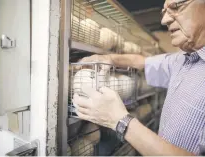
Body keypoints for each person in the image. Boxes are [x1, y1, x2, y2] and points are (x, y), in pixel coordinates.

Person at [72, 0, 205, 155]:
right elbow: (143, 62)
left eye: (176, 7)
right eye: (164, 11)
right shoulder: (182, 60)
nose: (164, 20)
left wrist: (120, 121)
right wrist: (109, 58)